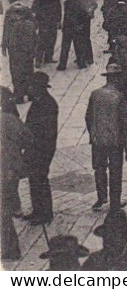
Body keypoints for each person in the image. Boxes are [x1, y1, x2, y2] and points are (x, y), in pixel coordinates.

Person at [85, 62, 127, 211]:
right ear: (117, 78)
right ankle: (115, 202)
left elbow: (88, 117)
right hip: (115, 142)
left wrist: (93, 133)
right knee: (115, 171)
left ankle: (101, 198)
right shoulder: (119, 97)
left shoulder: (95, 94)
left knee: (99, 169)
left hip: (98, 140)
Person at [0, 88, 33, 261]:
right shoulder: (11, 120)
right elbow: (28, 138)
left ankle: (11, 249)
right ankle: (16, 207)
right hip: (12, 169)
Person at [24, 72, 58, 225]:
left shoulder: (47, 104)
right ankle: (38, 210)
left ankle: (44, 214)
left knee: (40, 179)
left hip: (42, 149)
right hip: (36, 148)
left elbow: (45, 130)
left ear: (37, 88)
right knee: (35, 178)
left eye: (30, 86)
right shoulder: (39, 101)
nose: (28, 89)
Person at [2, 0, 37, 102]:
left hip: (15, 47)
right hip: (27, 46)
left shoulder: (9, 12)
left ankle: (19, 95)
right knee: (28, 69)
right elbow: (35, 28)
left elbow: (6, 30)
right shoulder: (27, 9)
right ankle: (30, 92)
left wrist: (4, 45)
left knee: (16, 71)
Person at [57, 0, 89, 71]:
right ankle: (81, 63)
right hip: (76, 27)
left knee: (65, 47)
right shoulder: (79, 3)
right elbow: (84, 15)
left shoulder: (66, 3)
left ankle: (62, 65)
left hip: (67, 27)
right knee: (78, 46)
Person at [32, 0, 62, 66]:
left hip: (45, 19)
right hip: (48, 19)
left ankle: (41, 58)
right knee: (49, 39)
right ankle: (43, 58)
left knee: (45, 39)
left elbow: (34, 6)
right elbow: (58, 7)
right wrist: (59, 19)